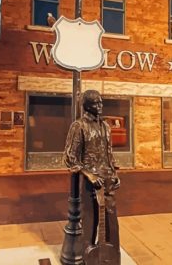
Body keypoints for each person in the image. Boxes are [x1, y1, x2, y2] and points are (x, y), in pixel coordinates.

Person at [63, 89, 121, 262]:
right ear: (87, 106)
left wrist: (115, 174)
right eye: (96, 103)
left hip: (108, 182)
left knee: (112, 224)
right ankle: (89, 258)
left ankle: (112, 258)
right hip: (91, 184)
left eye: (101, 102)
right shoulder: (79, 126)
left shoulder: (105, 126)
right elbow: (70, 158)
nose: (100, 106)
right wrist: (89, 175)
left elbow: (108, 154)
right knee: (90, 223)